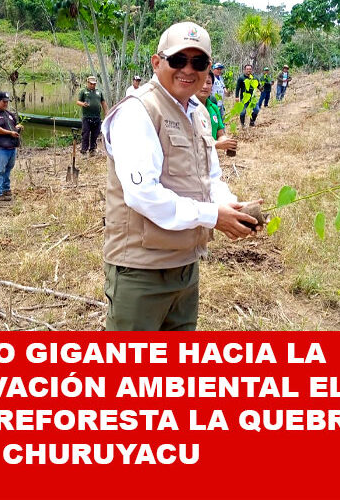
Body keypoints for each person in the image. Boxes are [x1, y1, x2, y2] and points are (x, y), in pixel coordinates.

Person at [101, 22, 262, 331]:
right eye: (178, 60)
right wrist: (214, 216)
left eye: (198, 62)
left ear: (208, 70)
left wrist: (233, 207)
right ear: (157, 62)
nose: (188, 69)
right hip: (141, 270)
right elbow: (143, 194)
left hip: (186, 265)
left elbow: (210, 178)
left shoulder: (198, 113)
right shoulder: (138, 111)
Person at [196, 70, 237, 153]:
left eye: (208, 83)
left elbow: (220, 134)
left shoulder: (214, 108)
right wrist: (217, 144)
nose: (204, 86)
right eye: (201, 82)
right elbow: (192, 141)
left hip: (211, 156)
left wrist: (226, 142)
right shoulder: (188, 108)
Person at [76, 76, 108, 156]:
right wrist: (83, 104)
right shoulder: (83, 91)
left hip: (96, 117)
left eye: (94, 84)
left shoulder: (99, 92)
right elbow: (78, 102)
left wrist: (106, 113)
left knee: (95, 134)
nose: (93, 85)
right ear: (88, 83)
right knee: (85, 134)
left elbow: (103, 103)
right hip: (87, 117)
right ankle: (84, 151)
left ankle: (92, 149)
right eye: (91, 84)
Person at [235, 63, 261, 128]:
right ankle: (242, 124)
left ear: (251, 70)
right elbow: (238, 88)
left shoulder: (254, 78)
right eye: (247, 69)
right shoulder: (241, 78)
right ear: (245, 70)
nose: (249, 70)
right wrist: (237, 96)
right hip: (244, 98)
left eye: (250, 69)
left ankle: (252, 122)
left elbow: (258, 86)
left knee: (256, 110)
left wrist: (262, 88)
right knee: (242, 112)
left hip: (252, 99)